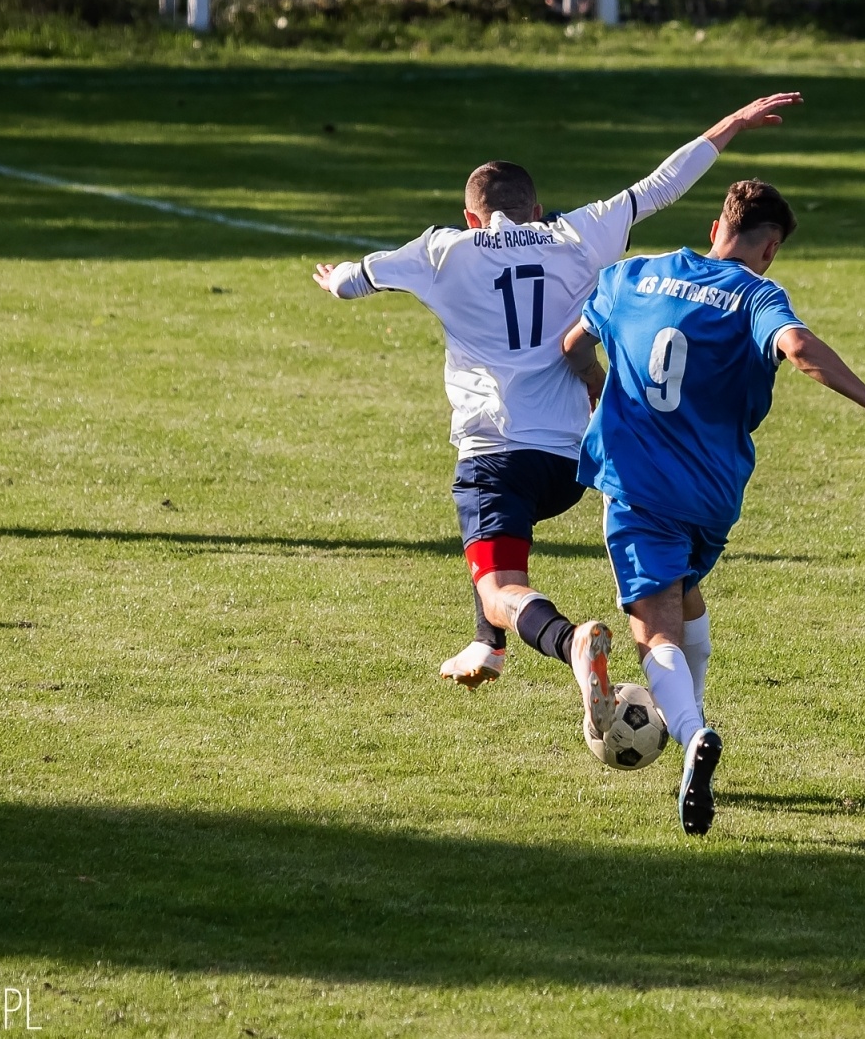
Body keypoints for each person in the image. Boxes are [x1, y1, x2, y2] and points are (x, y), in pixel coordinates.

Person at [312, 94, 803, 740]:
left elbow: (356, 280)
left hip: (496, 456)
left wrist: (337, 277)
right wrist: (731, 126)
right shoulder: (579, 232)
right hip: (570, 462)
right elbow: (661, 186)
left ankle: (569, 642)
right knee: (495, 552)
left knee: (500, 581)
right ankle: (487, 645)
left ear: (472, 215)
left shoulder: (445, 250)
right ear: (536, 211)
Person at [561, 179, 865, 834]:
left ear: (713, 229)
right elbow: (799, 347)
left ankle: (693, 733)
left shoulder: (630, 276)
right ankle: (686, 726)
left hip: (640, 485)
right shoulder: (756, 295)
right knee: (686, 598)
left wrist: (596, 384)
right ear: (770, 248)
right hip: (711, 492)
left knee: (656, 630)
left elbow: (571, 345)